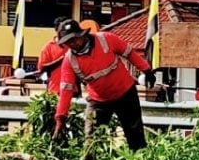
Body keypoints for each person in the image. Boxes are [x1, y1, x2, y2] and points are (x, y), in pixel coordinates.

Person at [53, 20, 155, 150]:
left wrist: (146, 70)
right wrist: (60, 118)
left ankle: (139, 158)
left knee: (135, 136)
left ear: (81, 34)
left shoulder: (106, 39)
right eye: (67, 42)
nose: (71, 44)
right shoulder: (69, 61)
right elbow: (66, 90)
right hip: (99, 100)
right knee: (92, 140)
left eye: (73, 39)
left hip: (125, 93)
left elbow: (129, 53)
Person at [37, 16, 72, 94]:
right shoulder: (48, 47)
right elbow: (41, 68)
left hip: (73, 90)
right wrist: (61, 60)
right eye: (62, 29)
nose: (64, 31)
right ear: (56, 29)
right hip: (54, 90)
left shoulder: (73, 45)